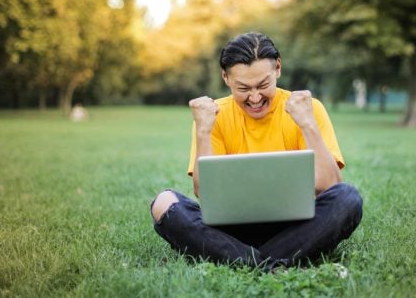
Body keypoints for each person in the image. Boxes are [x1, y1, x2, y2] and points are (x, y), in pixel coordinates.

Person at [150, 32, 363, 272]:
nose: (254, 98)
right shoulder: (212, 115)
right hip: (231, 228)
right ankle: (271, 263)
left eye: (263, 85)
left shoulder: (306, 109)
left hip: (295, 227)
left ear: (278, 69)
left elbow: (330, 186)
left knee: (348, 197)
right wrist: (203, 131)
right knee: (163, 203)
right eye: (243, 88)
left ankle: (241, 260)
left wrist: (308, 124)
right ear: (226, 77)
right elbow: (204, 192)